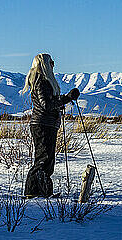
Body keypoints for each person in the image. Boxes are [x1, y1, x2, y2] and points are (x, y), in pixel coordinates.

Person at [22, 53, 80, 198]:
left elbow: (48, 102)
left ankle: (35, 191)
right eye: (51, 62)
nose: (53, 64)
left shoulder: (41, 81)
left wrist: (65, 99)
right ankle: (40, 191)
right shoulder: (42, 81)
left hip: (45, 123)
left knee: (45, 158)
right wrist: (66, 99)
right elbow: (47, 105)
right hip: (43, 124)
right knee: (44, 159)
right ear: (45, 64)